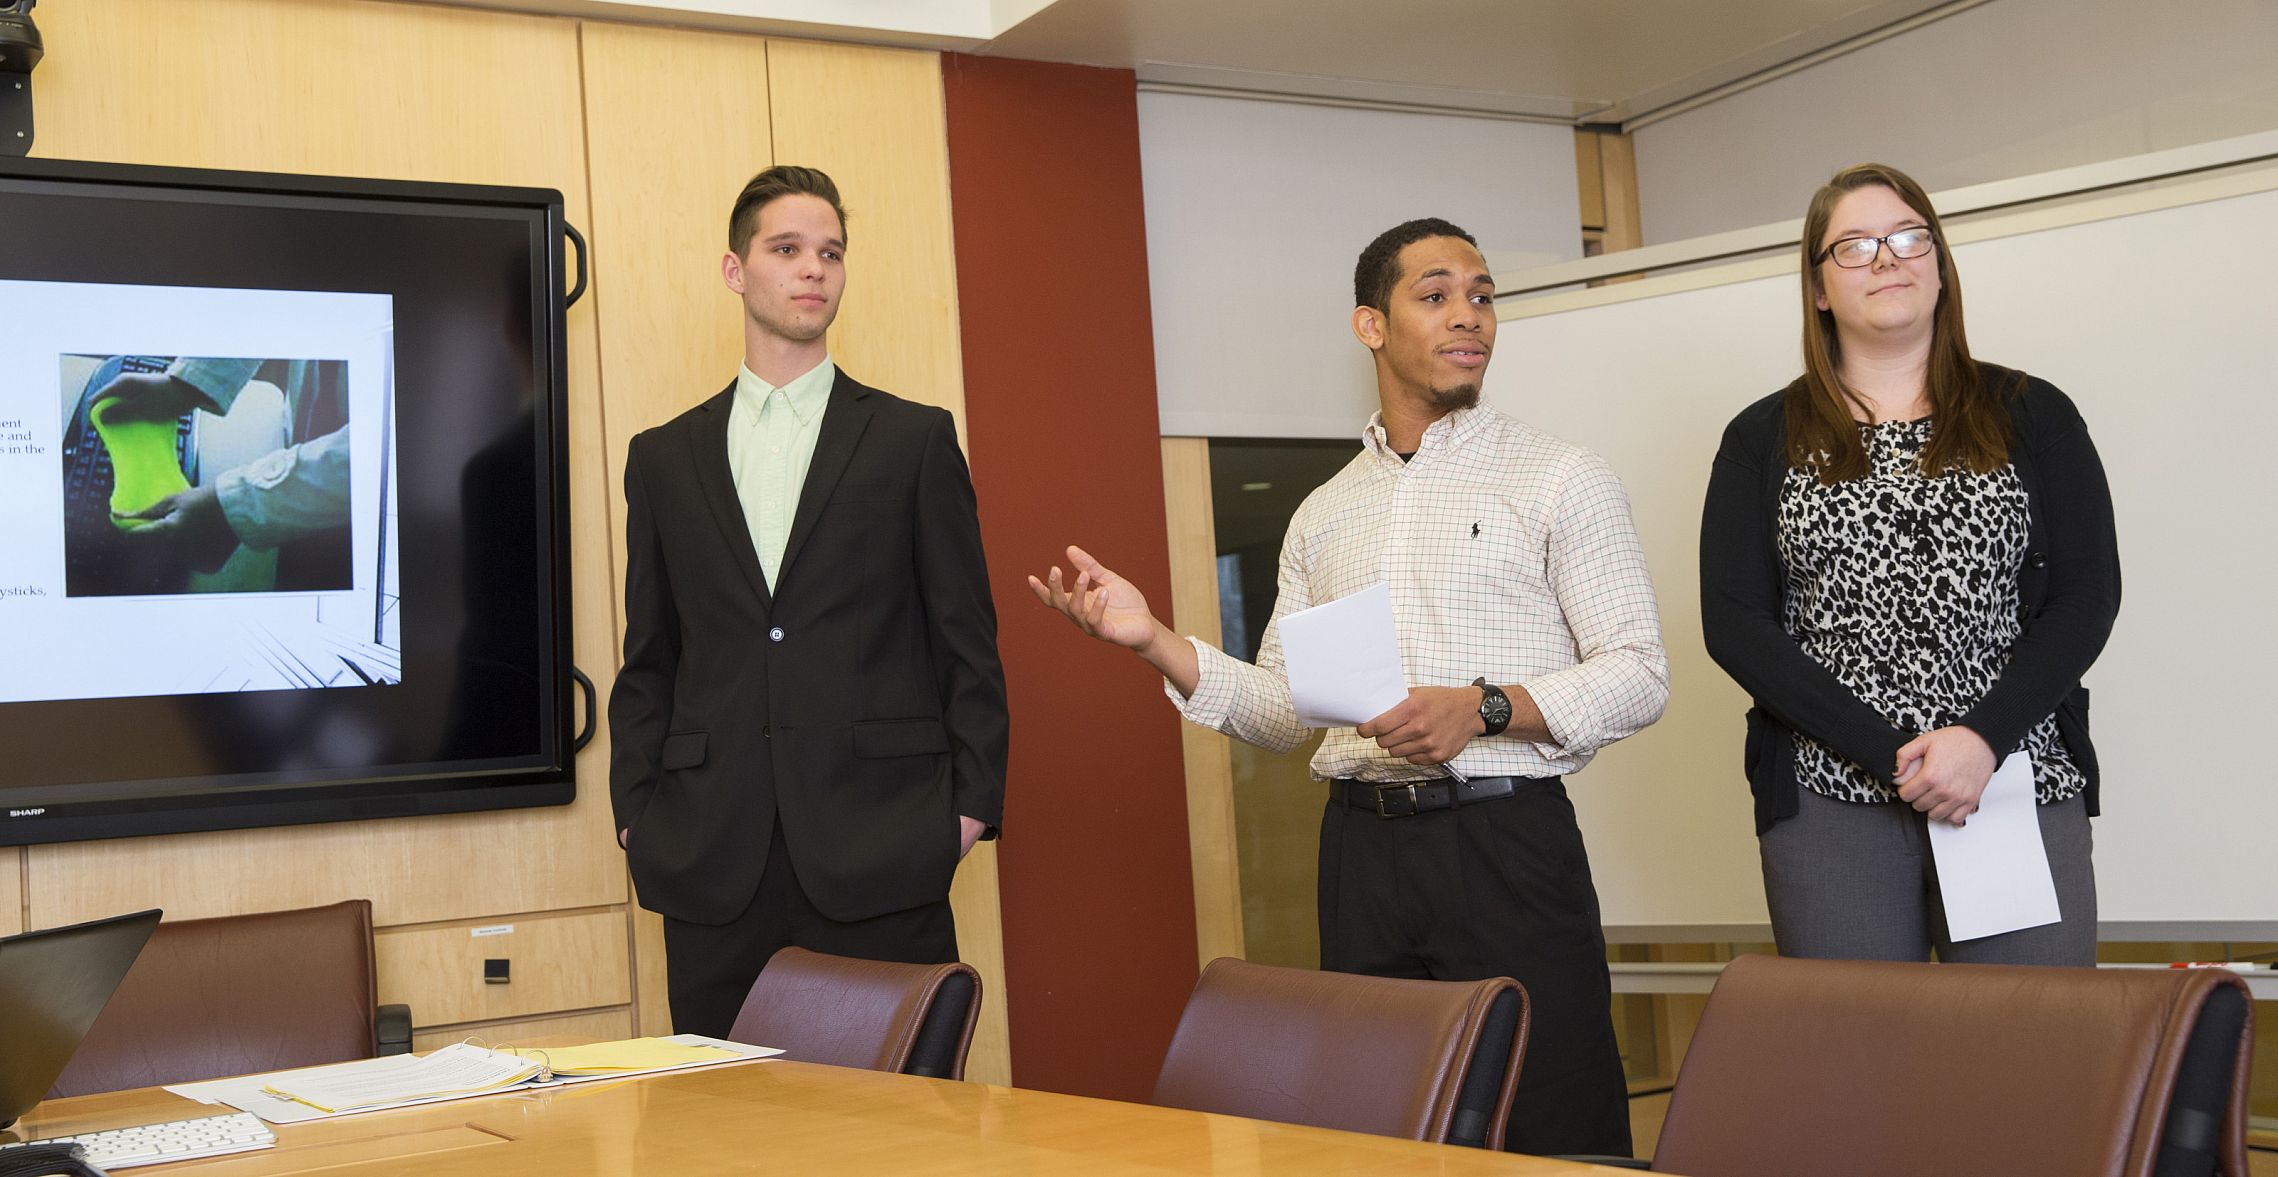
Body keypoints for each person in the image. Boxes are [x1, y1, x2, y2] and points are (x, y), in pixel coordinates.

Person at [1031, 218, 1666, 1157]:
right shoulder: (1323, 514)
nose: (1470, 318)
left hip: (1507, 843)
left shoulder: (1561, 478)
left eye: (1483, 295)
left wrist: (1485, 706)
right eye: (1437, 294)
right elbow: (1291, 709)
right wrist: (1156, 641)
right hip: (1360, 855)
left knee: (1552, 1125)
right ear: (1371, 326)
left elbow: (1639, 671)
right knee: (1380, 1133)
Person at [608, 165, 1008, 1037]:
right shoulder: (664, 458)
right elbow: (652, 657)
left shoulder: (914, 439)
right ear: (734, 270)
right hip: (712, 857)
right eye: (786, 249)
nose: (811, 269)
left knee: (896, 1134)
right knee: (723, 1130)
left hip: (883, 849)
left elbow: (966, 641)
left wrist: (967, 810)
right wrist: (638, 815)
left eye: (829, 253)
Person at [1698, 162, 2120, 965]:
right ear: (1819, 287)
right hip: (1831, 794)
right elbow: (1736, 624)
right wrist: (1893, 752)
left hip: (2007, 778)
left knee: (2031, 1055)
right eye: (1853, 245)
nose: (1887, 257)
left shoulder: (2033, 412)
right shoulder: (1762, 437)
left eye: (1907, 237)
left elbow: (2086, 597)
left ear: (1938, 262)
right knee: (1859, 1069)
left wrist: (1980, 741)